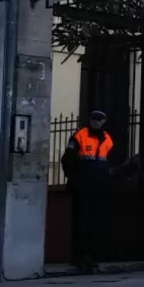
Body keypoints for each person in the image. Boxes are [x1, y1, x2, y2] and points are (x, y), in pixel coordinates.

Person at [60, 110, 114, 275]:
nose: (97, 122)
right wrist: (76, 180)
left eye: (100, 119)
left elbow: (107, 162)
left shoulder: (107, 139)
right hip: (83, 187)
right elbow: (67, 160)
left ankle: (93, 258)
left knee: (97, 224)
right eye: (94, 119)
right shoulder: (79, 136)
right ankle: (79, 258)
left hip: (99, 188)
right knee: (81, 223)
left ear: (104, 121)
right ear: (89, 120)